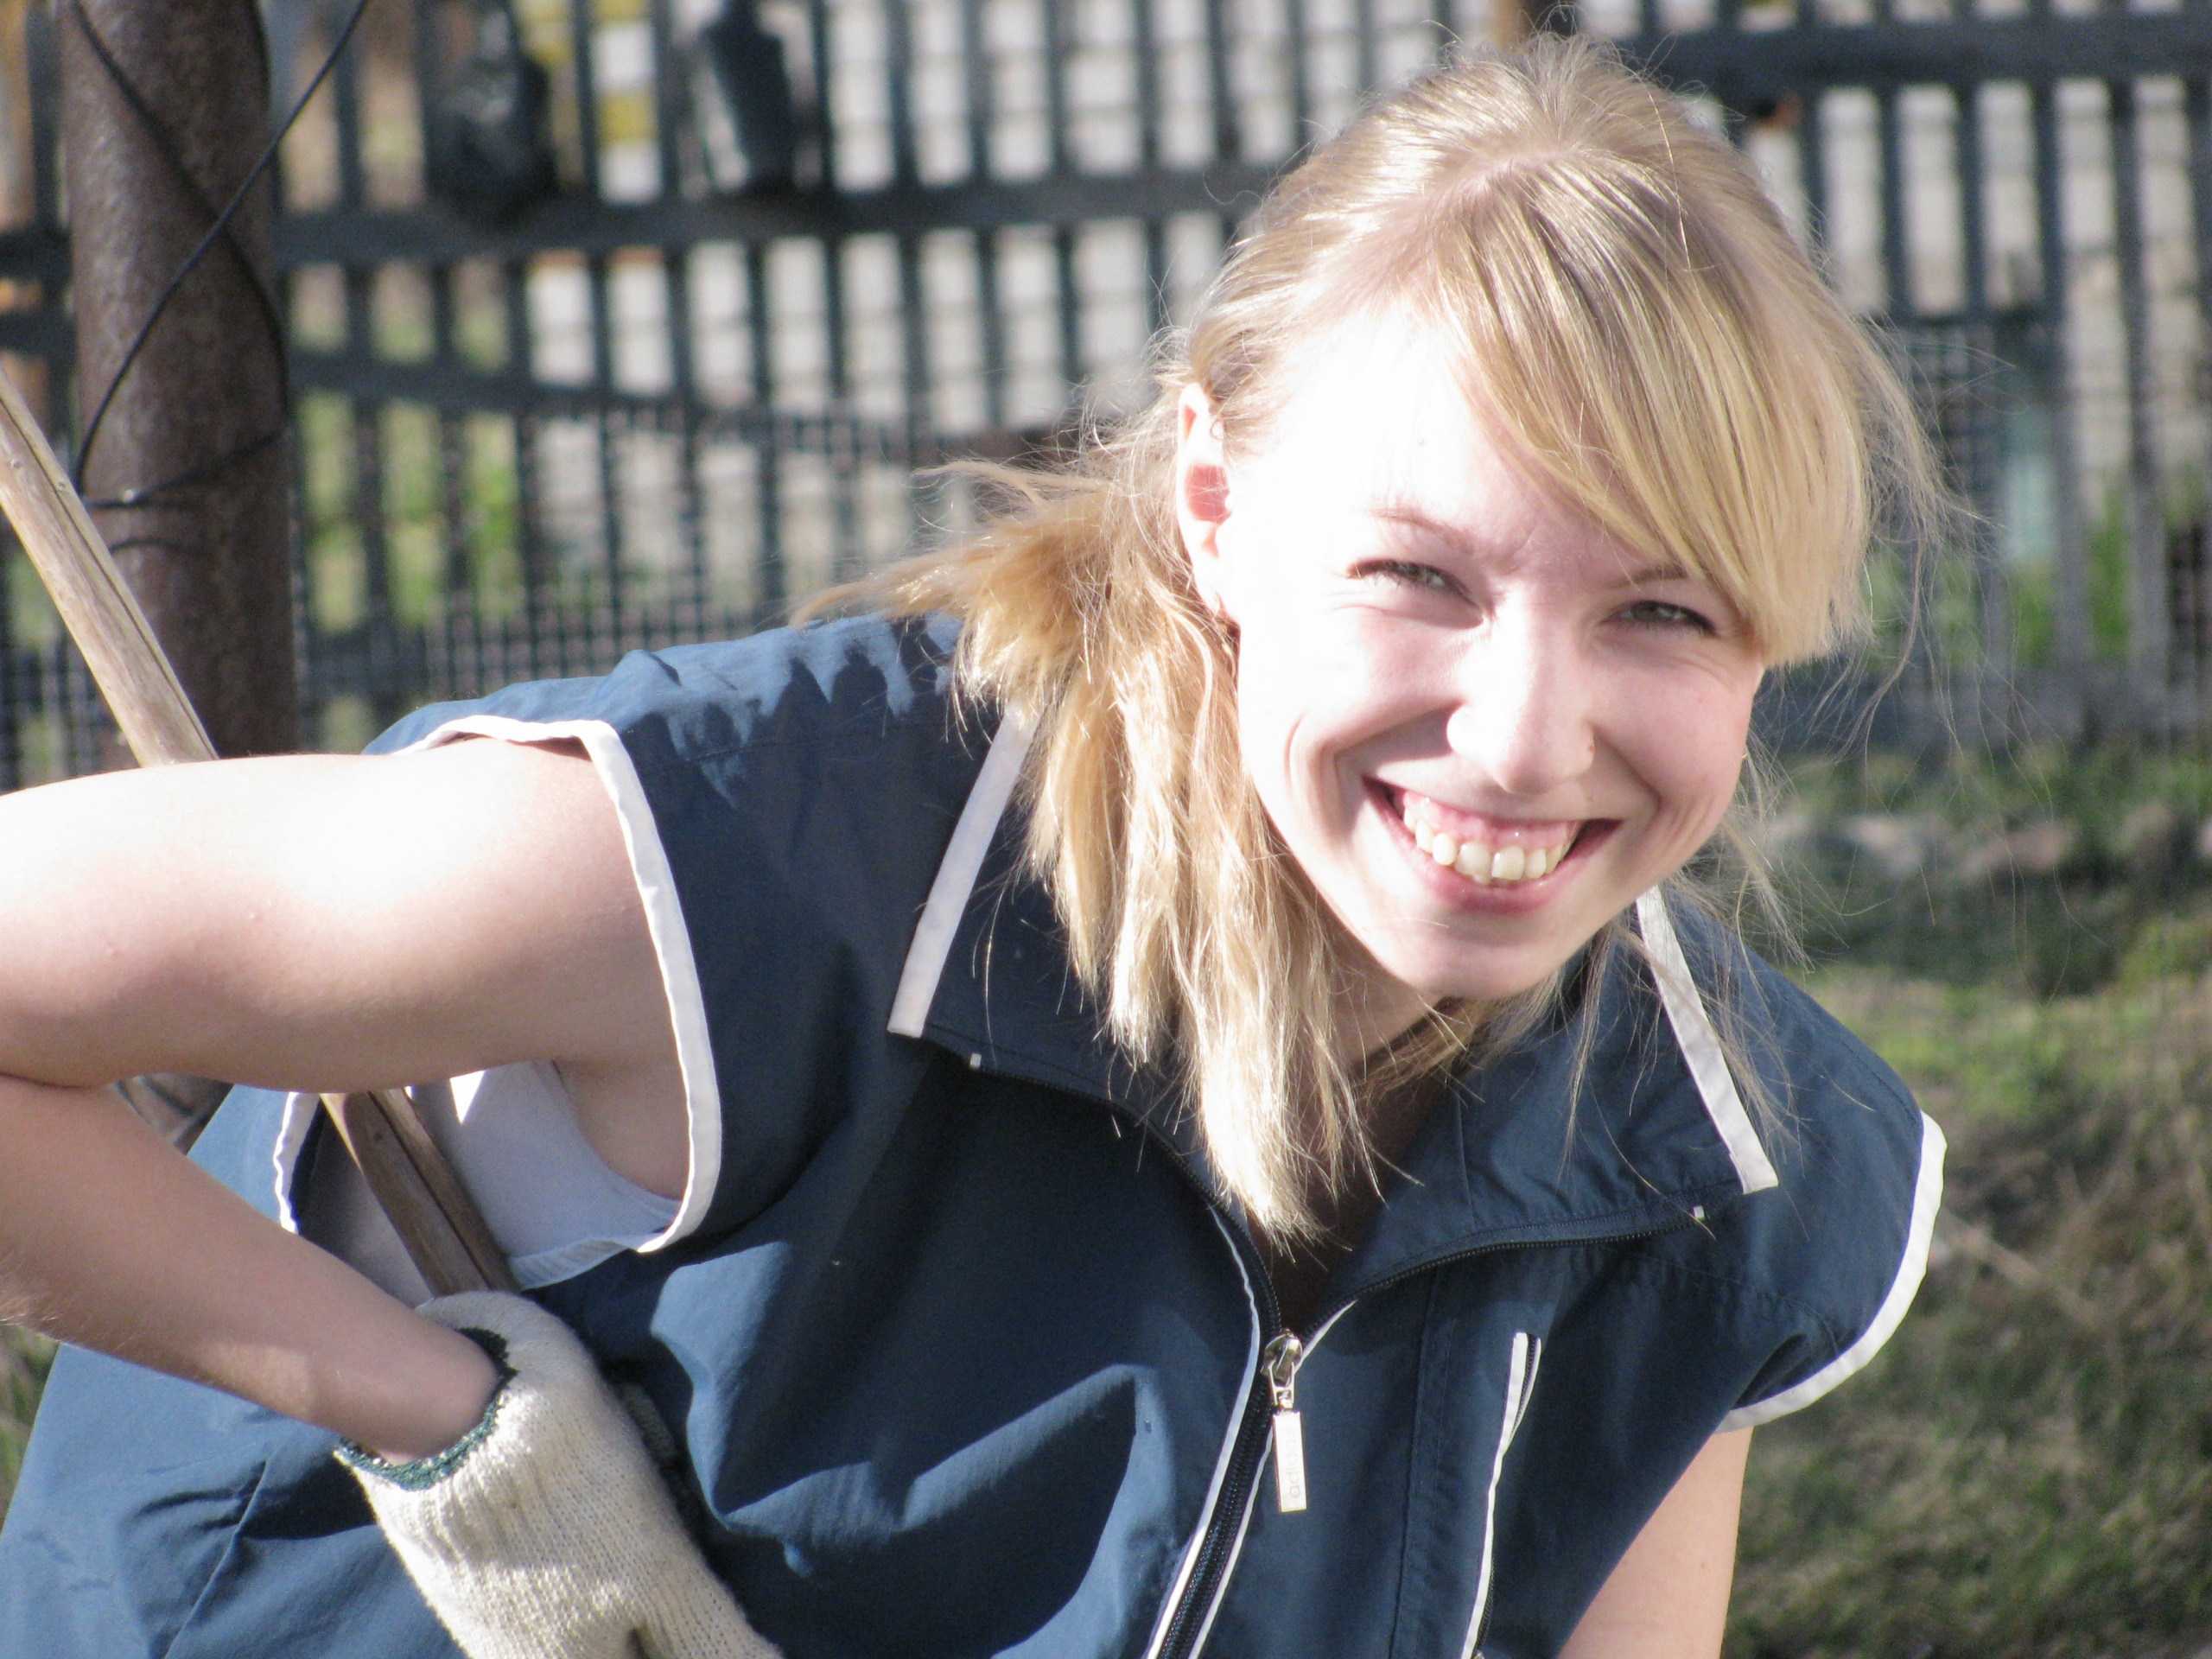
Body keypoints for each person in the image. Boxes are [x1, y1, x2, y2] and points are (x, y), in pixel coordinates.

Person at [0, 35, 1946, 1659]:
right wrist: (441, 1423)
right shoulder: (755, 865)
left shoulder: (1729, 1174)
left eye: (1662, 613)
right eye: (1416, 577)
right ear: (1211, 505)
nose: (1524, 737)